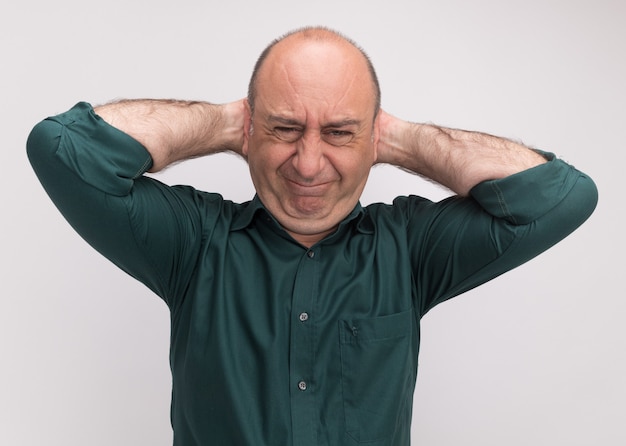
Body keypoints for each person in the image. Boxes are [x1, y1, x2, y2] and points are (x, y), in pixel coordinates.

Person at [27, 26, 597, 446]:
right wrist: (229, 123)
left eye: (339, 133)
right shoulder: (193, 245)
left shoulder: (409, 249)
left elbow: (562, 196)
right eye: (284, 128)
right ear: (252, 130)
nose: (307, 163)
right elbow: (61, 149)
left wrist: (394, 137)